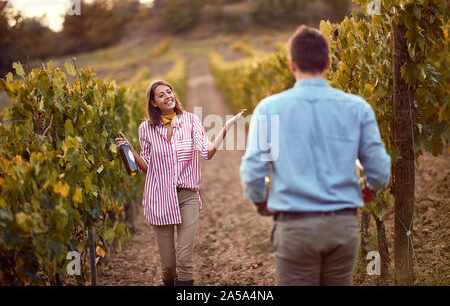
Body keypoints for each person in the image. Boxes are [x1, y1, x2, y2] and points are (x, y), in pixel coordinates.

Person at [239, 25, 391, 286]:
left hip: (295, 228)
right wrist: (365, 189)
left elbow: (253, 172)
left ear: (292, 64)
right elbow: (379, 173)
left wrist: (262, 202)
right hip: (343, 226)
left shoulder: (269, 109)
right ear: (329, 62)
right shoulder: (358, 108)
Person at [116, 80, 246, 286]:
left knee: (185, 260)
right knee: (168, 267)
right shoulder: (146, 129)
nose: (168, 95)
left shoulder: (190, 121)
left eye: (169, 91)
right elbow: (146, 166)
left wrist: (226, 127)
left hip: (187, 196)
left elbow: (207, 152)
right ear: (153, 103)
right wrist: (130, 149)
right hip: (160, 196)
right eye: (161, 95)